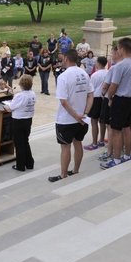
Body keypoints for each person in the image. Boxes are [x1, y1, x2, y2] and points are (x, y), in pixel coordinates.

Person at [48, 50, 93, 182]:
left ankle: (63, 174)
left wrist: (76, 116)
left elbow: (63, 101)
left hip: (67, 120)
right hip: (82, 119)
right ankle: (76, 169)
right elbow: (91, 95)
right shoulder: (84, 73)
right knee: (78, 143)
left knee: (65, 146)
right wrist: (85, 113)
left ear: (66, 58)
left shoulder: (64, 76)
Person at [100, 38, 131, 169]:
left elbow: (113, 86)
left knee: (116, 130)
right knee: (126, 128)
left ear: (122, 49)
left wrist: (110, 98)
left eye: (118, 48)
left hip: (121, 99)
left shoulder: (120, 66)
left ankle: (116, 159)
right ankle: (127, 155)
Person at [4, 74, 37, 171]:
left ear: (21, 84)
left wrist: (5, 106)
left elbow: (10, 109)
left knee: (19, 144)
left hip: (18, 121)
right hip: (28, 120)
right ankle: (29, 163)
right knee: (25, 141)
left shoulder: (20, 96)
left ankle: (20, 166)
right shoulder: (33, 94)